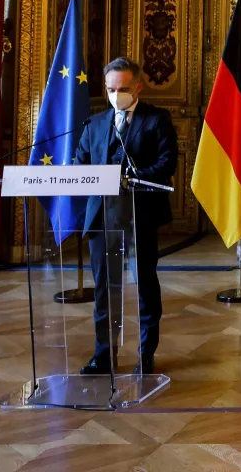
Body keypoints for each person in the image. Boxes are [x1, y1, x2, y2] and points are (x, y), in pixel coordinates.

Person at [73, 57, 177, 376]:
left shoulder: (156, 120)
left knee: (145, 284)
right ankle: (104, 355)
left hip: (140, 215)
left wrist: (133, 178)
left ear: (138, 87)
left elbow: (167, 164)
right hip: (103, 216)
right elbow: (80, 164)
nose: (117, 94)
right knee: (106, 288)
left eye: (123, 89)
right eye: (111, 89)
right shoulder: (95, 123)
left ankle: (146, 354)